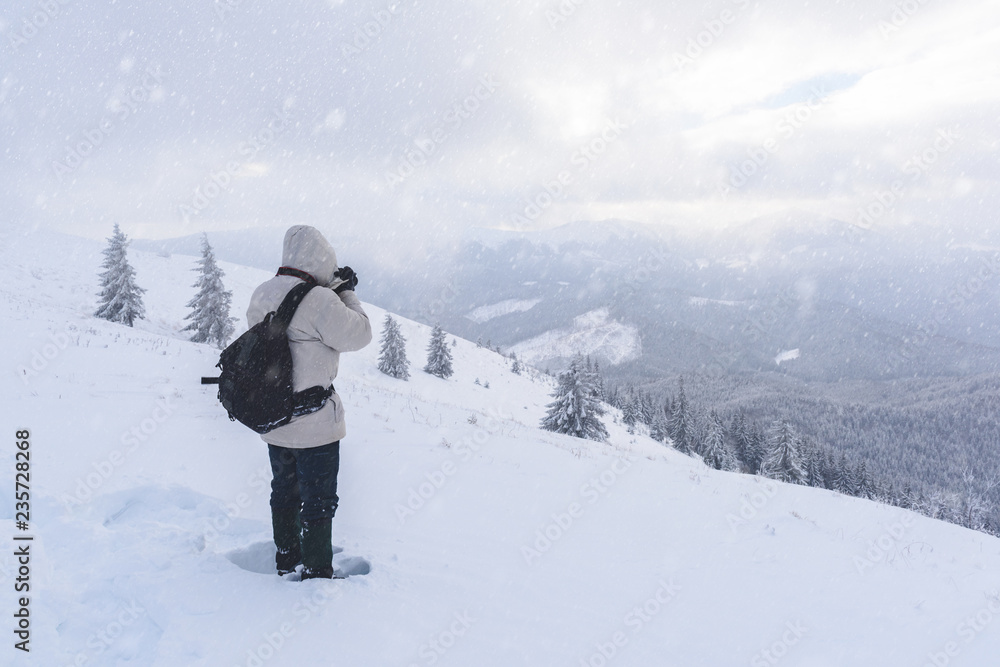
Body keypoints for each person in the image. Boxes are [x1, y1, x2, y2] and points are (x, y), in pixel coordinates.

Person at [246, 225, 372, 579]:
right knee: (318, 500)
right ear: (322, 258)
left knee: (284, 491)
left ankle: (286, 558)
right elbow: (360, 333)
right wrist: (345, 292)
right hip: (315, 424)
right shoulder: (321, 301)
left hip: (276, 419)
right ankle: (317, 571)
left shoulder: (262, 293)